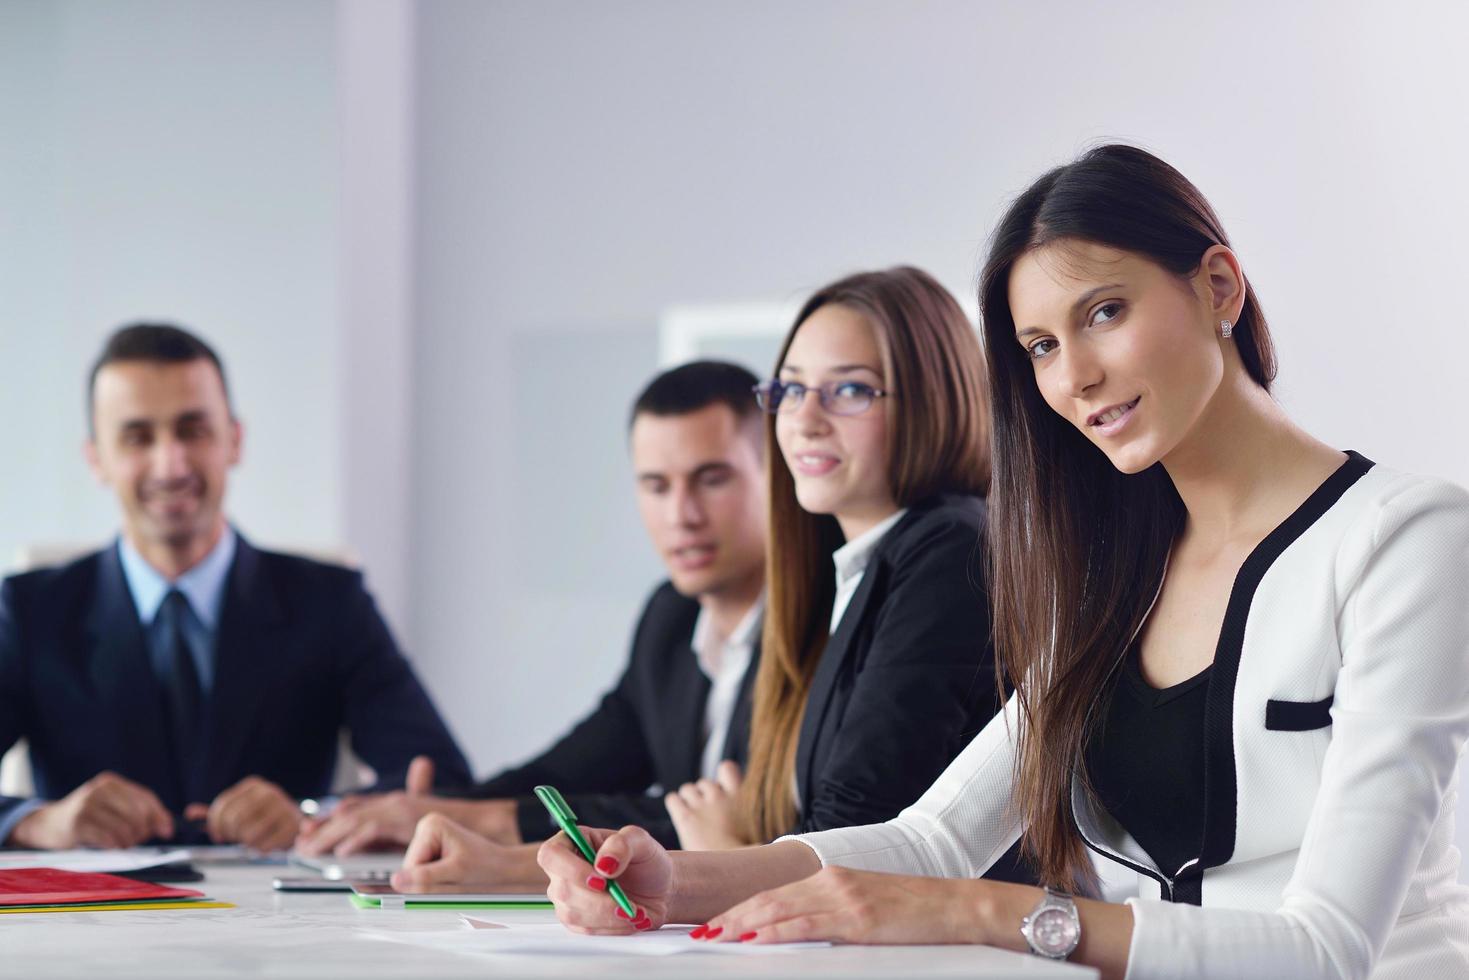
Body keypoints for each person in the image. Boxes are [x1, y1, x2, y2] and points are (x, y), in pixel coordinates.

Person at [535, 145, 1469, 978]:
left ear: (1218, 287)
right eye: (1040, 347)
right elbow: (933, 838)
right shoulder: (1110, 574)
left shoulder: (1405, 539)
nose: (1073, 377)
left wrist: (981, 913)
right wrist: (675, 882)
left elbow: (1327, 948)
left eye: (1103, 312)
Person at [295, 360, 769, 891]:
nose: (682, 514)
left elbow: (743, 826)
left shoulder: (822, 629)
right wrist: (435, 810)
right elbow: (578, 768)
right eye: (656, 486)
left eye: (712, 480)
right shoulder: (673, 617)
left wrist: (484, 824)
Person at [0, 323, 471, 852]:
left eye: (193, 430)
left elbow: (439, 781)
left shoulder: (329, 601)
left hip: (281, 920)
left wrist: (312, 815)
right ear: (96, 460)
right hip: (89, 921)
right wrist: (39, 822)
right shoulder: (29, 610)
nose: (170, 464)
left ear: (235, 441)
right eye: (137, 437)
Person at [658, 267, 1024, 878]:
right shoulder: (845, 573)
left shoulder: (950, 549)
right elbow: (757, 810)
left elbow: (856, 837)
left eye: (849, 391)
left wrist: (724, 859)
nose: (804, 421)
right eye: (792, 390)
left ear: (935, 399)